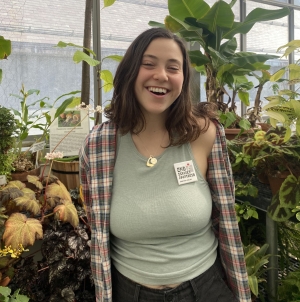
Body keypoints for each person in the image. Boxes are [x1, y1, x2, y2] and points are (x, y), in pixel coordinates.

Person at [79, 28, 251, 302]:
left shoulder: (204, 134)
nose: (161, 75)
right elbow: (95, 225)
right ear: (130, 71)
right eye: (148, 64)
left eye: (174, 67)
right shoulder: (99, 145)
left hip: (205, 287)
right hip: (130, 291)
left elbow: (225, 216)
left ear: (183, 78)